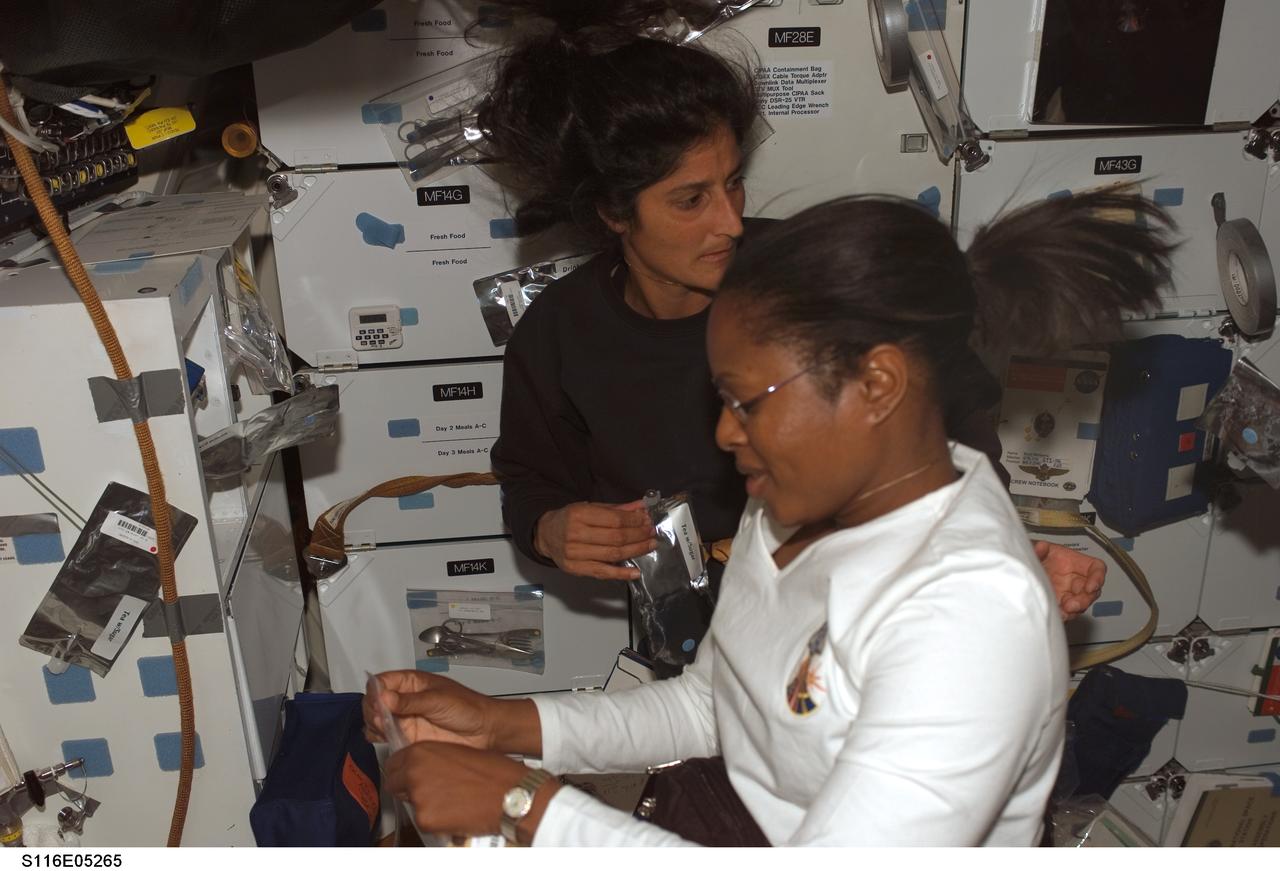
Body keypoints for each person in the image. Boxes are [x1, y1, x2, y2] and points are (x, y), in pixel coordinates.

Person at [367, 189, 1178, 846]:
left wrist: (525, 805)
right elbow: (712, 706)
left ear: (878, 385)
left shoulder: (969, 618)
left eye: (746, 401)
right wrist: (503, 723)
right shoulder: (793, 500)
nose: (724, 434)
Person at [481, 1, 1105, 626]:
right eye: (691, 200)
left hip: (864, 601)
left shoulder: (812, 273)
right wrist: (548, 529)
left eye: (733, 182)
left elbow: (957, 415)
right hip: (694, 628)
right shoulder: (558, 332)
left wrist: (994, 541)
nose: (729, 222)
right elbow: (530, 477)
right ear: (613, 212)